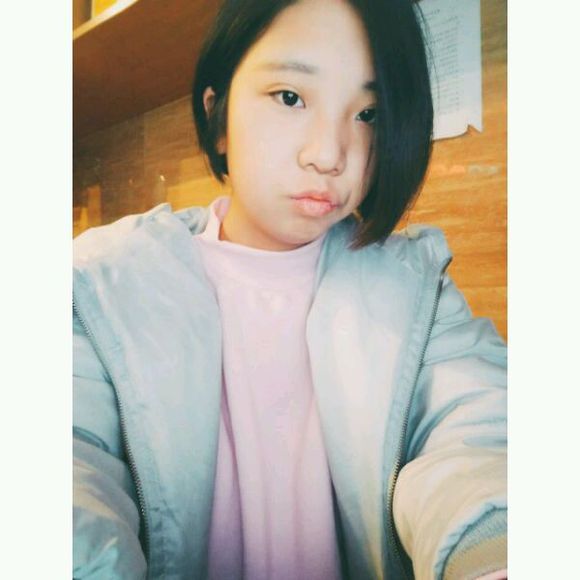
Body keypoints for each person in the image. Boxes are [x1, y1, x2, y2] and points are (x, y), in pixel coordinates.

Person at [73, 0, 507, 578]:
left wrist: (494, 548)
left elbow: (478, 438)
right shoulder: (102, 286)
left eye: (368, 114)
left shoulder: (419, 290)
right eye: (290, 97)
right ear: (218, 117)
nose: (329, 155)